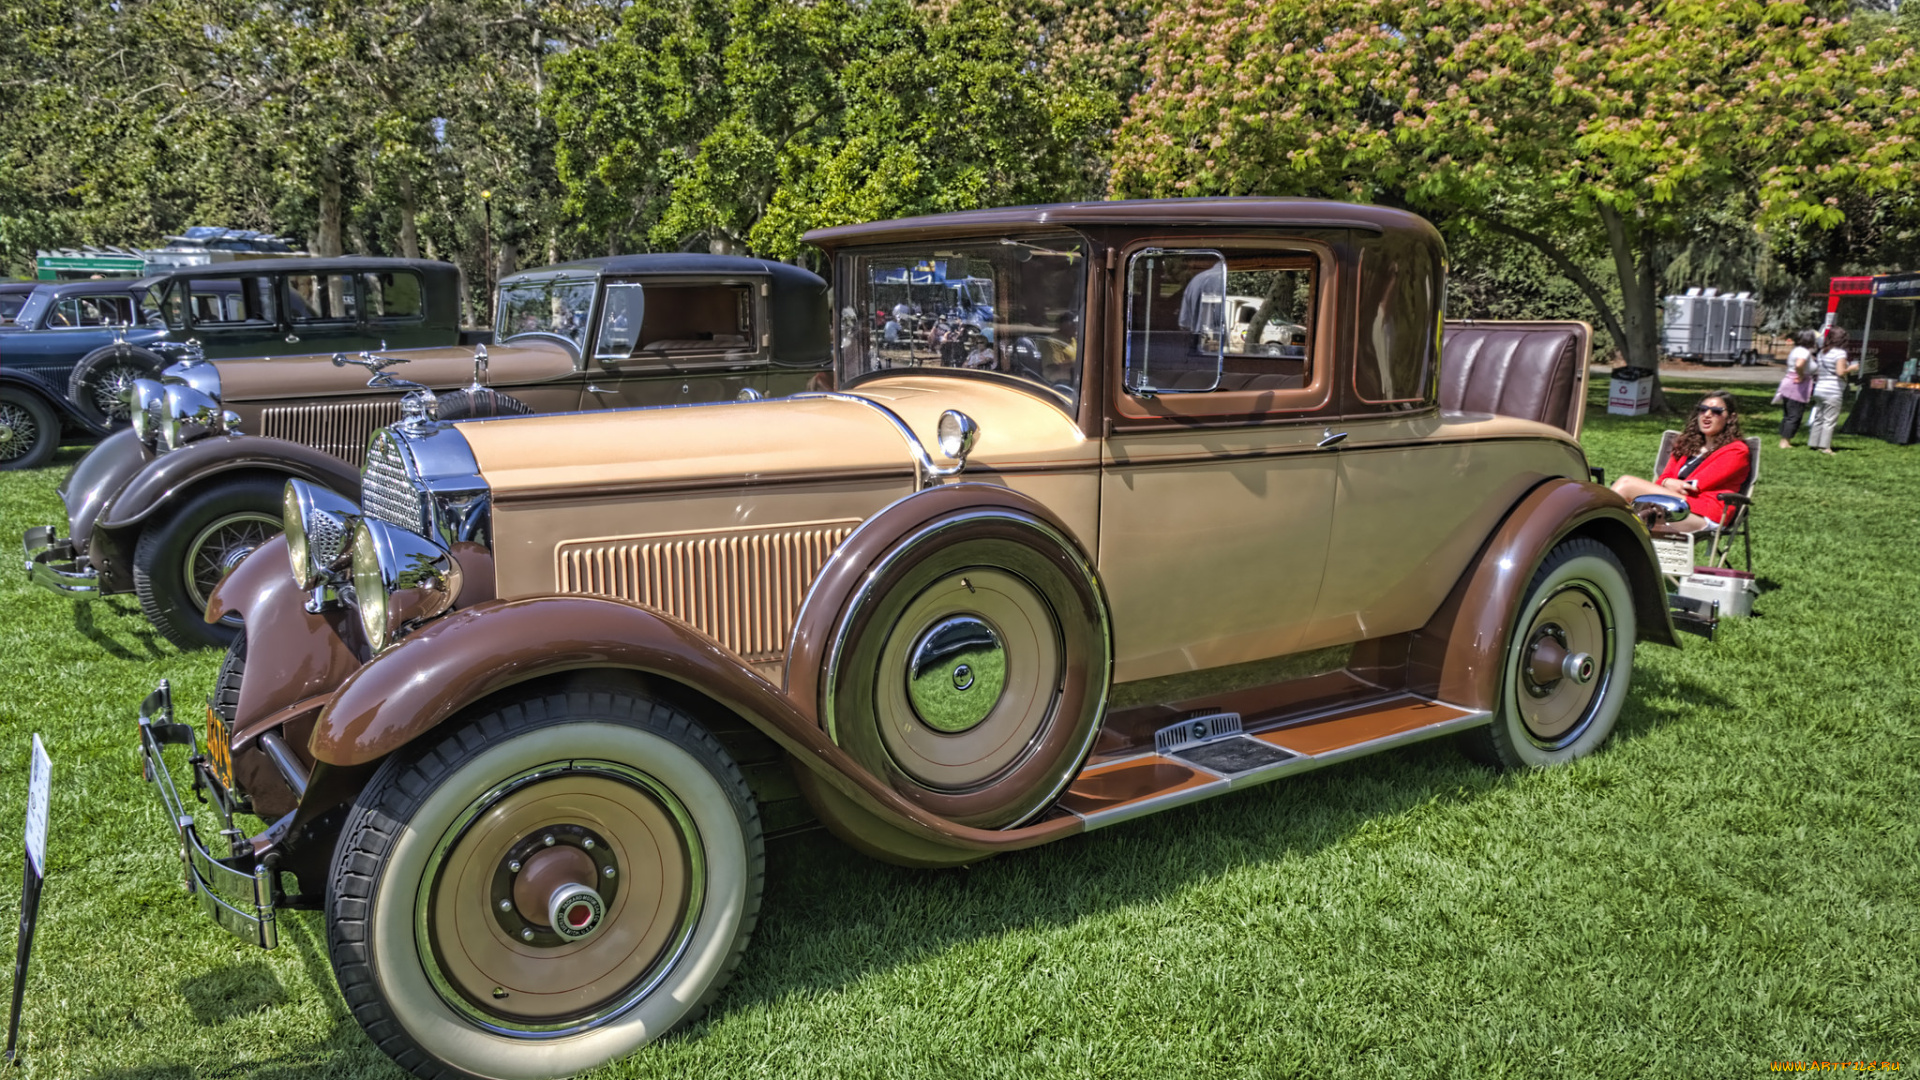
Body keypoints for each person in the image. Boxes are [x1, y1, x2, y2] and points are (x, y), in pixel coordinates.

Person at [1610, 391, 1752, 534]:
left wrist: (1667, 483)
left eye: (1716, 411)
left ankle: (1598, 530)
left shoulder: (1737, 451)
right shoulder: (1685, 445)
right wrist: (1666, 482)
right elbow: (1663, 478)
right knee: (1626, 507)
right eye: (1702, 409)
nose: (1707, 414)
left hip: (1704, 513)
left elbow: (1694, 486)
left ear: (1730, 418)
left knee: (1626, 484)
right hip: (1672, 504)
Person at [1807, 327, 1855, 455]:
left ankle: (1814, 442)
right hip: (1833, 390)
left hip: (1820, 388)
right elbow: (1840, 372)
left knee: (1819, 417)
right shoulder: (1840, 353)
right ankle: (1825, 447)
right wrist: (1852, 368)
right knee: (1829, 420)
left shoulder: (1822, 352)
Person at [1775, 329, 1818, 449]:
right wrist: (1800, 376)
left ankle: (1784, 438)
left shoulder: (1796, 350)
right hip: (1797, 385)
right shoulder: (1804, 352)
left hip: (1788, 382)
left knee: (1788, 414)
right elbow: (1799, 364)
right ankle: (1785, 442)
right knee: (1794, 415)